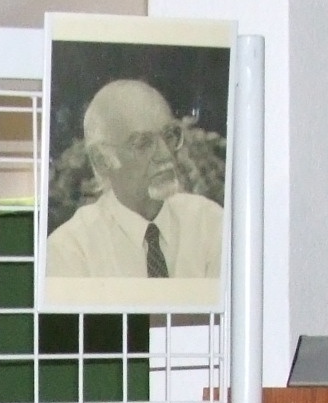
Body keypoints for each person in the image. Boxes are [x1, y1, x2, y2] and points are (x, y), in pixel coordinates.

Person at [44, 78, 225, 282]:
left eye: (169, 135)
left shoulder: (210, 224)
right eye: (142, 143)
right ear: (103, 160)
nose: (165, 154)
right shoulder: (72, 250)